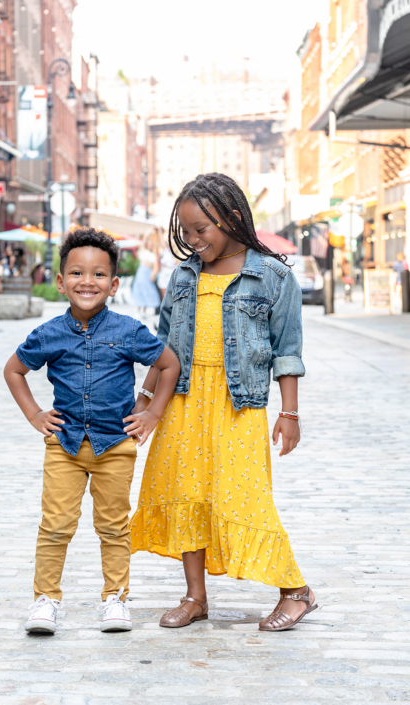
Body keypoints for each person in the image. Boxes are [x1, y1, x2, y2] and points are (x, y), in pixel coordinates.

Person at [130, 173, 317, 632]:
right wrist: (145, 398)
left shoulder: (273, 276)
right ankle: (196, 596)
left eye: (201, 230)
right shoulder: (182, 276)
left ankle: (297, 591)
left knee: (248, 498)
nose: (193, 241)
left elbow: (286, 351)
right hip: (184, 401)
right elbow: (164, 347)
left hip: (239, 405)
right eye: (186, 231)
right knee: (187, 495)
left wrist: (288, 414)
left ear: (232, 218)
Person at [4, 228, 180, 635]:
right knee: (55, 524)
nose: (88, 282)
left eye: (99, 274)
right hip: (63, 446)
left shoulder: (129, 331)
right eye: (77, 274)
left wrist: (152, 412)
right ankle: (45, 600)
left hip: (115, 446)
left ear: (114, 284)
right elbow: (14, 369)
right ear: (61, 281)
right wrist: (34, 415)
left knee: (114, 526)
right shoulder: (48, 333)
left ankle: (115, 599)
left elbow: (168, 364)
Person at [131, 232, 161, 313]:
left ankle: (144, 310)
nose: (150, 245)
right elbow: (143, 241)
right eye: (149, 244)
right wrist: (149, 231)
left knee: (147, 290)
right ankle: (138, 310)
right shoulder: (143, 251)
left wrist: (152, 274)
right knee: (139, 289)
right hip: (141, 271)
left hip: (148, 272)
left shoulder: (153, 254)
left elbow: (155, 267)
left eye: (151, 244)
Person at [157, 233, 178, 300]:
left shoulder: (177, 254)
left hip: (171, 274)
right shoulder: (166, 251)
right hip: (163, 273)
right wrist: (159, 231)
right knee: (164, 296)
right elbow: (161, 241)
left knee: (170, 295)